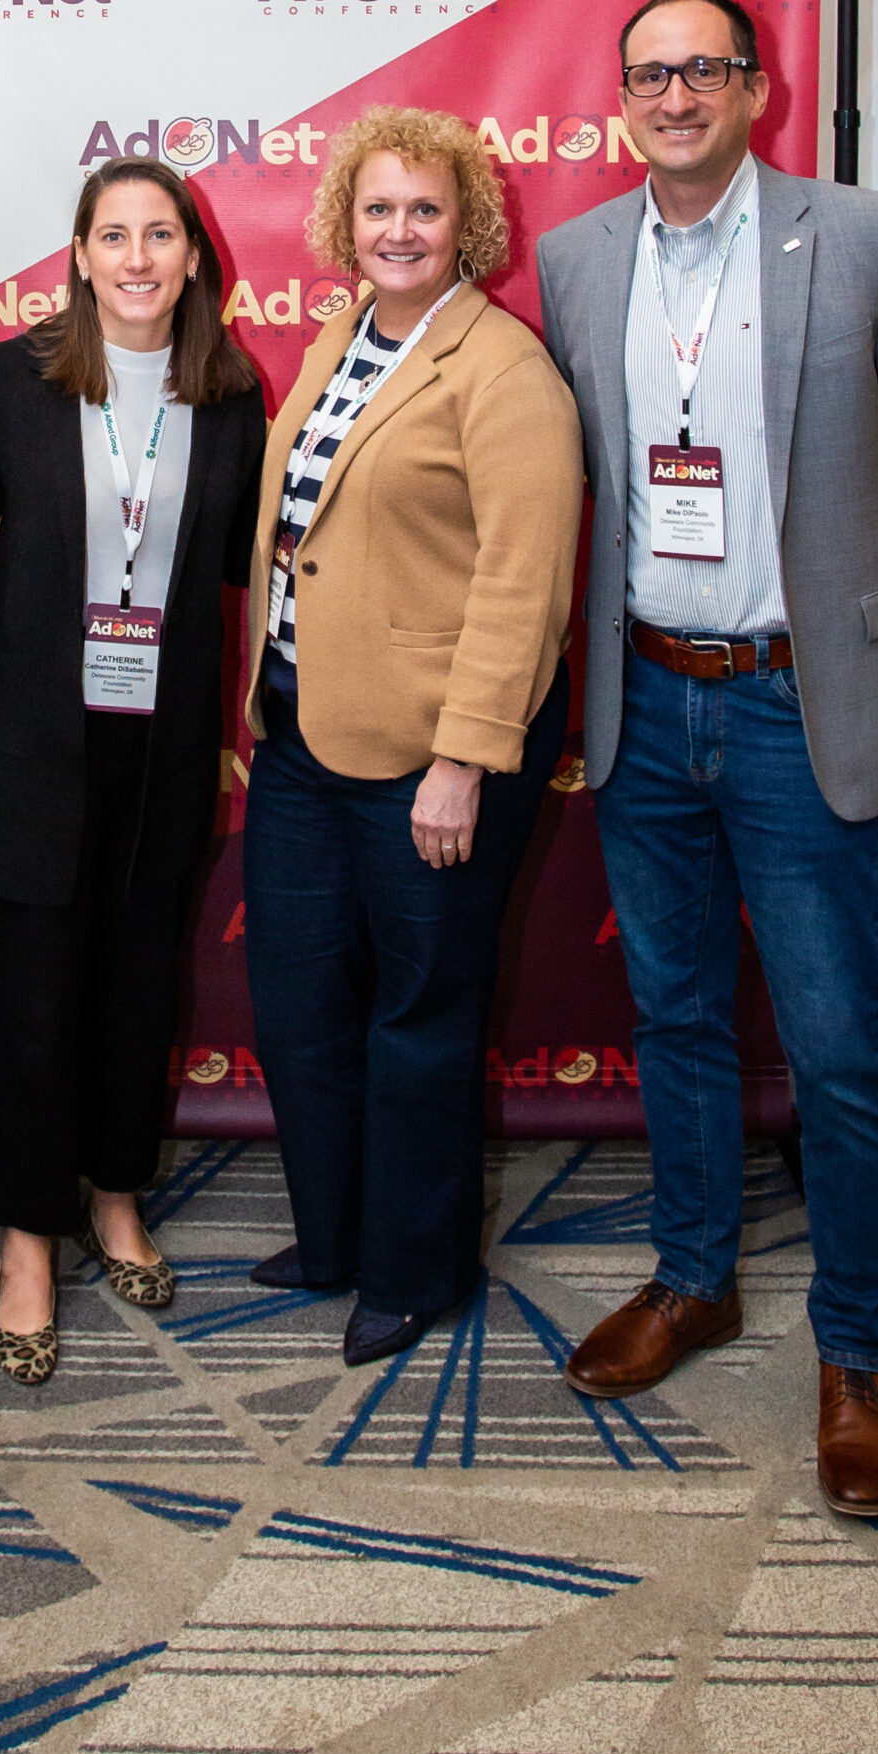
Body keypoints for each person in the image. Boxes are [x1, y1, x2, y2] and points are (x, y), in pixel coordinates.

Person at [536, 0, 878, 1520]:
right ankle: (693, 1278)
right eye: (646, 76)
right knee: (671, 1015)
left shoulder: (855, 240)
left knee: (835, 1045)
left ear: (753, 87)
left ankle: (855, 1351)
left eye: (701, 70)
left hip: (795, 703)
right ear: (620, 102)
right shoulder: (576, 261)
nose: (672, 96)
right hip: (644, 700)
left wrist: (849, 609)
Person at [242, 108, 583, 1367]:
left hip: (430, 757)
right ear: (346, 222)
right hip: (302, 733)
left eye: (424, 209)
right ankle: (334, 1234)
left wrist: (463, 760)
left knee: (421, 1020)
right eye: (378, 208)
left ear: (466, 226)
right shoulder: (342, 337)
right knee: (300, 1004)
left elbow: (524, 581)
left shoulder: (504, 369)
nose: (399, 230)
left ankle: (413, 1268)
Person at [0, 158, 265, 1384]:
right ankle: (25, 1236)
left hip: (165, 735)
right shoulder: (16, 380)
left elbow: (248, 564)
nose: (137, 258)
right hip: (33, 728)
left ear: (194, 258)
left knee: (139, 977)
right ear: (79, 257)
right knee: (29, 988)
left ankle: (117, 1191)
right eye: (113, 236)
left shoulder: (233, 394)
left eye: (160, 235)